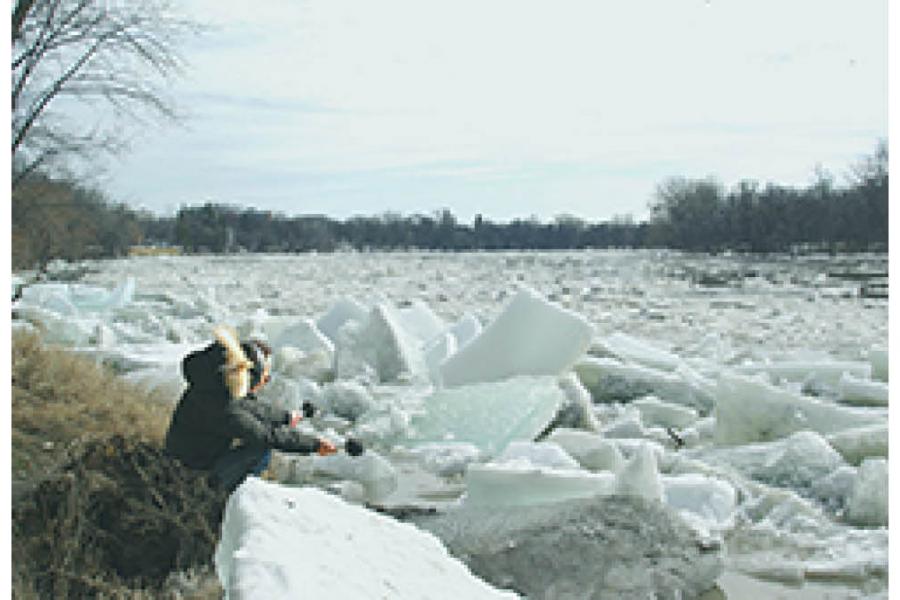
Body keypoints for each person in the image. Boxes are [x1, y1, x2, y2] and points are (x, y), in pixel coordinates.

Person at [165, 325, 341, 491]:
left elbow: (250, 407)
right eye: (265, 376)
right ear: (250, 375)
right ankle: (225, 496)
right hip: (191, 472)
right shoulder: (223, 409)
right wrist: (315, 445)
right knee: (259, 448)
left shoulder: (215, 386)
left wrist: (287, 417)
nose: (266, 381)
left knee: (258, 434)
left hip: (189, 458)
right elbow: (266, 435)